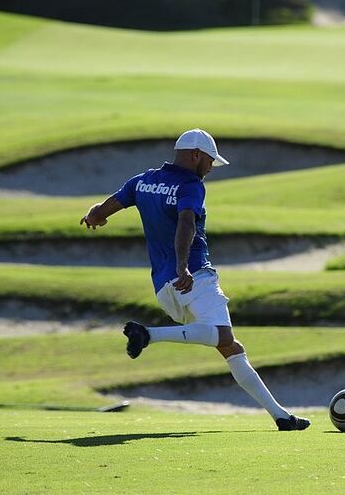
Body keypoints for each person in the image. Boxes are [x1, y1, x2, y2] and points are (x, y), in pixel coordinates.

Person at [80, 128, 310, 431]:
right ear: (196, 155)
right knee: (224, 337)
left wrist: (94, 215)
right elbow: (186, 222)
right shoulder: (190, 185)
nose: (211, 168)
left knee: (230, 347)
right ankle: (148, 335)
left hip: (164, 288)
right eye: (210, 161)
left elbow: (103, 209)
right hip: (194, 275)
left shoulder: (142, 181)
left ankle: (282, 417)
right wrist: (183, 266)